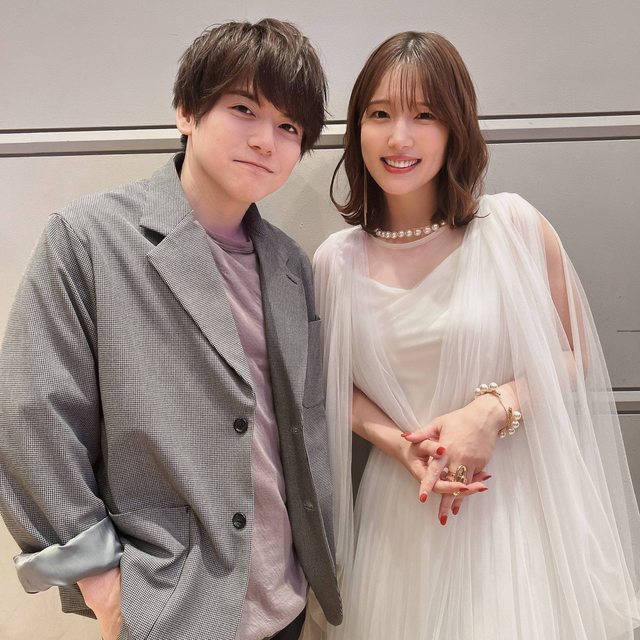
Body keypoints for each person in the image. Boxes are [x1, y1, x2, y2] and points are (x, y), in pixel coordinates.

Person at [0, 19, 342, 640]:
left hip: (287, 600)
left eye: (289, 127)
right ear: (187, 111)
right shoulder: (90, 239)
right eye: (244, 109)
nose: (265, 140)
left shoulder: (290, 264)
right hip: (170, 608)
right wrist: (100, 580)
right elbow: (29, 415)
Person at [302, 31, 640, 640]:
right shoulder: (335, 261)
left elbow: (575, 354)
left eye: (424, 115)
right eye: (379, 114)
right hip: (403, 515)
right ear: (357, 129)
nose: (399, 138)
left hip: (515, 511)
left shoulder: (512, 225)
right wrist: (401, 445)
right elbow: (329, 384)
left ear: (455, 126)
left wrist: (492, 410)